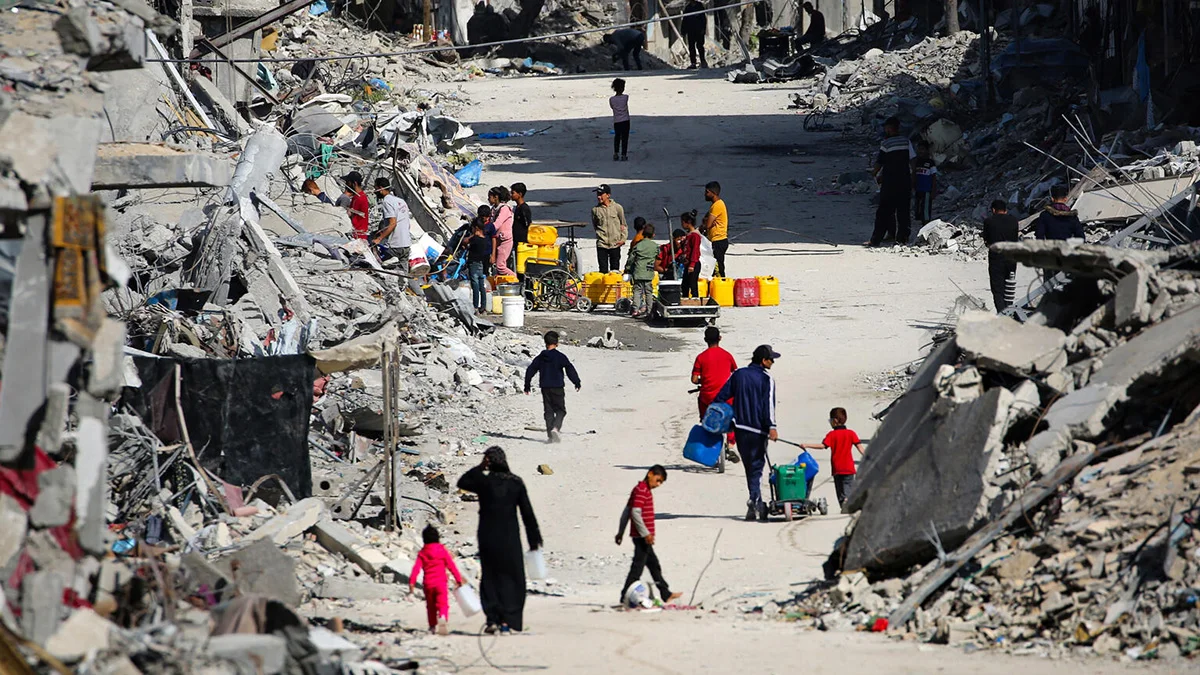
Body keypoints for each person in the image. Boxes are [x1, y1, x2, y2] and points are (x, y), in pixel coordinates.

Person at [457, 447, 542, 634]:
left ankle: (492, 619)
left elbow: (462, 481)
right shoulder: (516, 483)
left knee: (490, 577)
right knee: (513, 578)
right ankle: (507, 620)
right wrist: (534, 539)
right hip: (510, 537)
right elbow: (527, 513)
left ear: (489, 462)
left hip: (487, 536)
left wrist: (480, 467)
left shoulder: (484, 481)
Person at [714, 345, 779, 522]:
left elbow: (721, 397)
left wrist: (725, 417)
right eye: (771, 359)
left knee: (749, 466)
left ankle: (754, 498)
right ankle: (755, 500)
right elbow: (769, 407)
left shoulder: (738, 374)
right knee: (757, 466)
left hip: (740, 429)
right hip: (759, 431)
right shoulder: (767, 379)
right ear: (763, 360)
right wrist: (772, 427)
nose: (773, 362)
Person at [616, 465, 683, 605]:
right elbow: (634, 513)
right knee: (637, 568)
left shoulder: (641, 489)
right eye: (658, 480)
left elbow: (626, 512)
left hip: (642, 536)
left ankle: (666, 593)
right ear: (650, 474)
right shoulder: (641, 490)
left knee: (653, 565)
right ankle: (624, 597)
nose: (658, 484)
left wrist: (620, 532)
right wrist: (646, 534)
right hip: (641, 537)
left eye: (661, 483)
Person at [799, 408, 863, 508]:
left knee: (840, 491)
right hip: (849, 468)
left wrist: (806, 445)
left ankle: (844, 504)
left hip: (837, 468)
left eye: (830, 420)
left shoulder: (831, 435)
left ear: (835, 421)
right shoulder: (851, 433)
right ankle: (848, 502)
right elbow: (860, 448)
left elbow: (822, 446)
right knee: (848, 487)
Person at [524, 331, 581, 443]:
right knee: (561, 410)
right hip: (557, 387)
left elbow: (530, 370)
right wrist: (576, 382)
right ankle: (555, 428)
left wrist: (527, 385)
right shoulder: (560, 357)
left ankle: (550, 436)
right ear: (557, 343)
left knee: (548, 411)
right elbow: (569, 369)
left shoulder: (540, 357)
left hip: (545, 388)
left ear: (545, 343)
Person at [692, 326, 738, 461]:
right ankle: (730, 445)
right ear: (720, 338)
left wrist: (703, 380)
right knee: (732, 416)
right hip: (726, 397)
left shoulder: (701, 357)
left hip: (707, 398)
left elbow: (694, 380)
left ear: (705, 340)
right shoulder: (727, 355)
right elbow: (735, 372)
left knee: (703, 411)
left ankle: (705, 425)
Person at [868, 117, 915, 247]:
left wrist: (873, 174)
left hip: (890, 183)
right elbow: (913, 161)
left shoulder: (886, 144)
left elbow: (880, 162)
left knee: (884, 211)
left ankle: (876, 239)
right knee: (903, 212)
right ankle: (902, 239)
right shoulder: (906, 142)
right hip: (904, 181)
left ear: (889, 128)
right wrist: (913, 178)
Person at [409, 524, 464, 636]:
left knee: (431, 606)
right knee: (443, 603)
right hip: (441, 583)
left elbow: (416, 569)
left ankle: (432, 627)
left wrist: (412, 582)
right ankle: (443, 617)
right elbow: (451, 566)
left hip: (428, 584)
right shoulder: (442, 550)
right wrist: (458, 580)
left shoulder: (422, 553)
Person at [982, 199, 1020, 312]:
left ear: (993, 210)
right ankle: (1009, 311)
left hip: (996, 258)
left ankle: (1002, 313)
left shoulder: (989, 221)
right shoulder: (1014, 220)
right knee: (1009, 286)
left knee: (998, 288)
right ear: (1005, 210)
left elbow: (987, 241)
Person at [372, 177, 412, 264]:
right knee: (403, 274)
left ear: (381, 188)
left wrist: (379, 239)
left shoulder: (387, 201)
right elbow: (408, 224)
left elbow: (392, 223)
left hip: (395, 246)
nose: (374, 192)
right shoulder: (401, 201)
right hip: (406, 244)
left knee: (389, 271)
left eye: (375, 188)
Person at [591, 184, 628, 273]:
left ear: (608, 195)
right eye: (597, 195)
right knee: (603, 271)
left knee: (614, 272)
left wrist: (623, 239)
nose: (599, 197)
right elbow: (595, 225)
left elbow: (623, 225)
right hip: (602, 245)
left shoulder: (617, 208)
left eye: (601, 194)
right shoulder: (595, 210)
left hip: (615, 244)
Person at [624, 222, 658, 319]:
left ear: (643, 234)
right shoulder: (655, 246)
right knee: (648, 292)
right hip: (649, 271)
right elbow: (658, 257)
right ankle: (650, 310)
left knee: (637, 291)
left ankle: (635, 309)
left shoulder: (638, 246)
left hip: (638, 271)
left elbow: (631, 259)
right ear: (653, 235)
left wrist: (627, 269)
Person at [701, 182, 729, 278]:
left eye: (706, 192)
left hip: (719, 241)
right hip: (716, 240)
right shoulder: (715, 205)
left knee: (718, 268)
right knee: (716, 266)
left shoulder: (717, 206)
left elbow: (708, 224)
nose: (705, 194)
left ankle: (722, 286)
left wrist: (703, 226)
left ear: (712, 192)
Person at [465, 218, 492, 313]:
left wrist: (472, 235)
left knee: (475, 285)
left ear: (476, 228)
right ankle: (483, 306)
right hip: (481, 263)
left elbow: (465, 241)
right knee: (481, 285)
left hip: (473, 263)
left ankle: (475, 306)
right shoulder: (484, 239)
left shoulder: (475, 239)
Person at [488, 186, 516, 276]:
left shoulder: (504, 209)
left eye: (490, 197)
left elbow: (497, 223)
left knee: (500, 266)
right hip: (497, 240)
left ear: (496, 197)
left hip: (505, 241)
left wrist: (486, 230)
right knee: (496, 266)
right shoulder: (494, 209)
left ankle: (515, 280)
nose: (488, 199)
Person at [912, 141, 937, 227]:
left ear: (927, 150)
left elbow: (934, 177)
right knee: (918, 208)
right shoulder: (916, 162)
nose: (920, 151)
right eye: (919, 149)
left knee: (925, 209)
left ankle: (926, 226)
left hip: (926, 190)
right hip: (918, 189)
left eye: (922, 149)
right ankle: (922, 224)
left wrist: (933, 190)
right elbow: (914, 174)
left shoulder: (930, 163)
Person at [679, 210, 702, 298]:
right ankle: (685, 300)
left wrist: (692, 265)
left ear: (688, 222)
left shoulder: (695, 236)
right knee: (685, 285)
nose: (682, 224)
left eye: (683, 222)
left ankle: (695, 302)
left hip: (693, 264)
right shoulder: (688, 235)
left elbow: (695, 251)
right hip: (687, 263)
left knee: (693, 285)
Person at [342, 171, 371, 240]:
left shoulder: (360, 198)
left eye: (348, 182)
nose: (346, 185)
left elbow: (349, 214)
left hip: (358, 236)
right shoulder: (357, 196)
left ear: (354, 183)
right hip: (357, 234)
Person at [681, 0, 708, 69]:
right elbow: (685, 19)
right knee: (691, 47)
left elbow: (703, 18)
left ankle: (703, 61)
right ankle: (693, 63)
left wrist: (703, 29)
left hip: (699, 30)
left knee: (700, 46)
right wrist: (683, 31)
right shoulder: (688, 8)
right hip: (691, 31)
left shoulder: (699, 6)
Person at [609, 78, 631, 162]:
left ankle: (616, 153)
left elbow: (612, 107)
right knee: (625, 138)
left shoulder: (611, 99)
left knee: (617, 137)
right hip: (625, 120)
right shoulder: (626, 97)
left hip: (617, 121)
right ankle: (624, 154)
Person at [510, 182, 532, 248]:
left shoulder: (524, 208)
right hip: (516, 239)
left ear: (520, 194)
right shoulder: (517, 207)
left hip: (522, 241)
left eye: (513, 193)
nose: (511, 195)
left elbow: (528, 224)